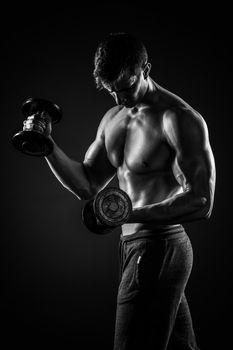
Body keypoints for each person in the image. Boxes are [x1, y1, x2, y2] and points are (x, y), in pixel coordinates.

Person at [23, 32, 216, 349]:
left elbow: (202, 202)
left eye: (126, 88)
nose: (119, 99)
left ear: (146, 69)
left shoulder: (179, 119)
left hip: (159, 248)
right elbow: (87, 184)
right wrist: (47, 147)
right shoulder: (113, 118)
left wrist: (125, 213)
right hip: (132, 247)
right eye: (111, 91)